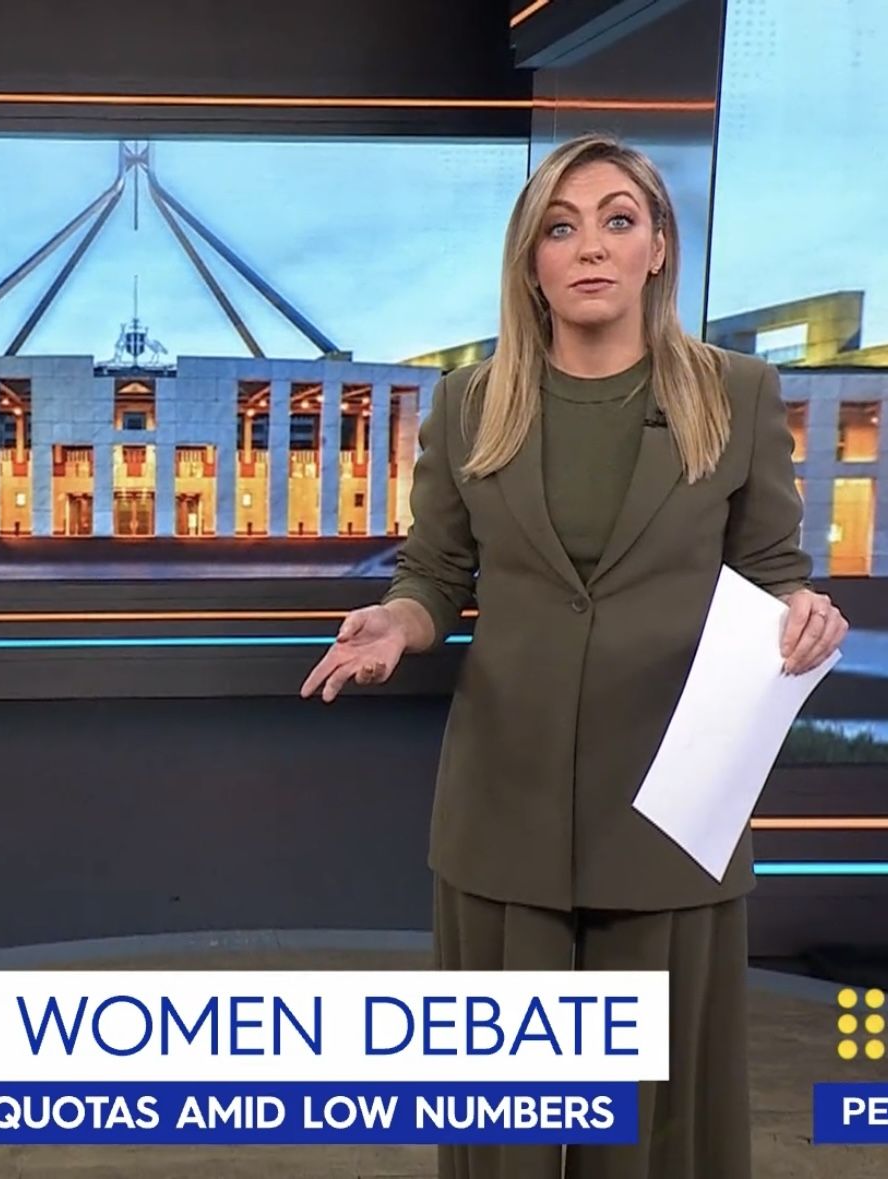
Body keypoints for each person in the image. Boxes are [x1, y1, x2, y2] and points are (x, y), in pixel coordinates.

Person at [299, 133, 848, 1179]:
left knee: (654, 1136)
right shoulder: (470, 403)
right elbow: (436, 571)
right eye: (562, 227)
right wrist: (399, 625)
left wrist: (803, 611)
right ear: (532, 261)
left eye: (617, 220)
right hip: (507, 805)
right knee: (504, 1132)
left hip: (671, 810)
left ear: (657, 248)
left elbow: (771, 569)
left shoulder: (735, 394)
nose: (590, 246)